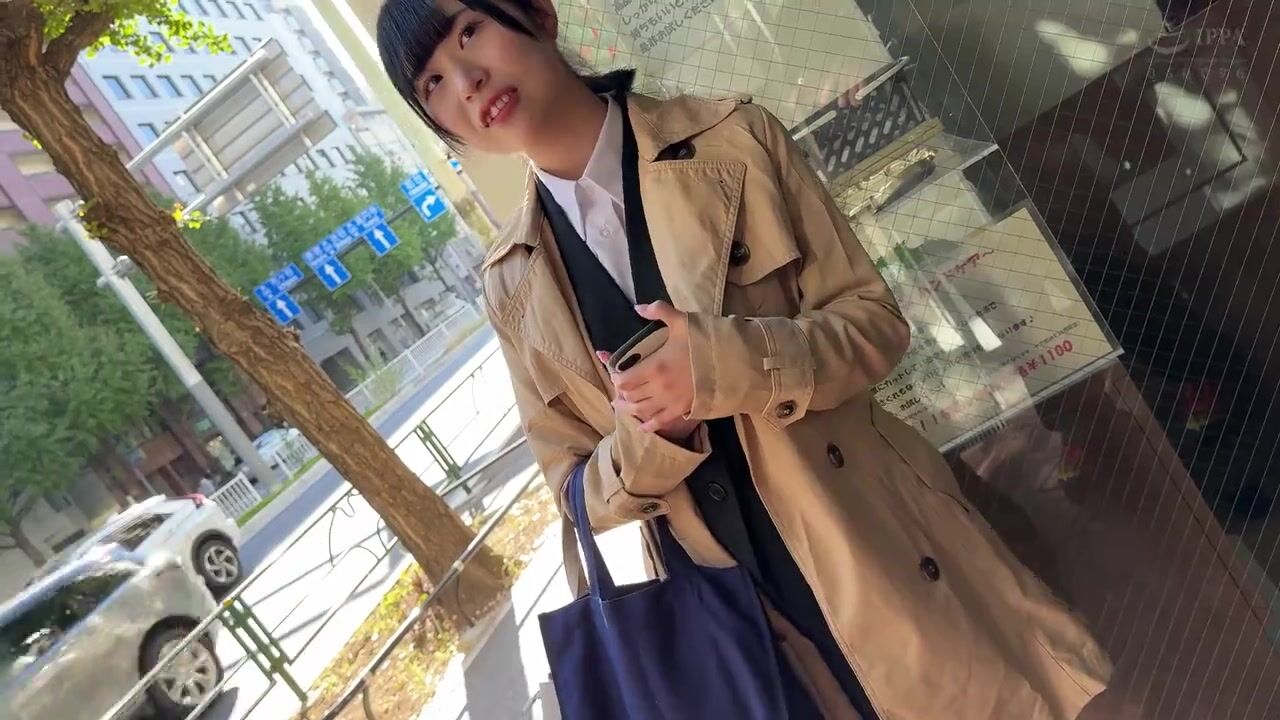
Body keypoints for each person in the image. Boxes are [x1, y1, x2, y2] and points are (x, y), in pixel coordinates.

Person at [376, 1, 1112, 717]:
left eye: (470, 31)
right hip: (733, 622)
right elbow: (575, 491)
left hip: (873, 551)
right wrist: (651, 437)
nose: (466, 80)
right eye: (432, 81)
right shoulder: (513, 282)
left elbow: (874, 326)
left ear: (539, 14)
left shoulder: (733, 140)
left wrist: (727, 364)